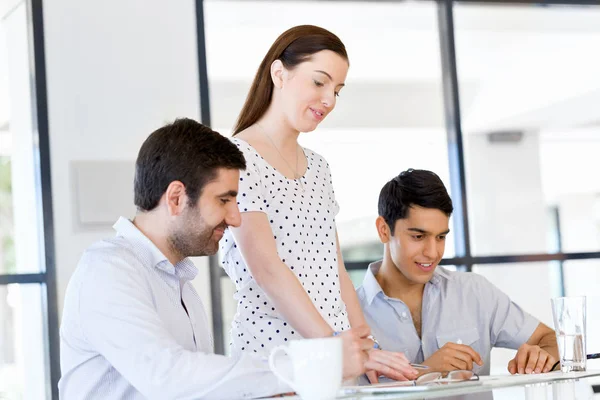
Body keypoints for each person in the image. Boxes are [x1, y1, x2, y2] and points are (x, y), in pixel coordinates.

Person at [58, 119, 370, 400]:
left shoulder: (179, 283)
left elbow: (195, 388)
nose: (235, 218)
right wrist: (307, 366)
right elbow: (168, 377)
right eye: (224, 200)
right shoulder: (108, 271)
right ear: (177, 198)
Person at [220, 24, 417, 383]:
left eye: (337, 90)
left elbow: (335, 269)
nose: (329, 100)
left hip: (333, 360)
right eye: (319, 82)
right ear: (279, 73)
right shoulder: (237, 159)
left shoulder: (319, 168)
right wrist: (335, 349)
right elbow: (267, 269)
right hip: (273, 360)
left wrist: (364, 348)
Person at [357, 168, 559, 377]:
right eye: (418, 236)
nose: (432, 253)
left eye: (440, 237)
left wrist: (540, 357)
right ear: (383, 230)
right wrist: (427, 372)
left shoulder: (474, 292)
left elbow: (551, 340)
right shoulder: (347, 316)